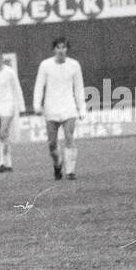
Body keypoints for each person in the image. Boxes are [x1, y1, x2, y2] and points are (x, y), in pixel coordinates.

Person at [32, 37, 85, 180]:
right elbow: (39, 86)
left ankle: (70, 170)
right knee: (52, 144)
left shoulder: (74, 65)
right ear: (54, 49)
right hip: (51, 108)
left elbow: (79, 88)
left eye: (64, 47)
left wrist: (82, 108)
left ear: (67, 49)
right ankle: (57, 164)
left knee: (69, 136)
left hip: (69, 107)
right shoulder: (45, 65)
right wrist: (37, 105)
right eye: (58, 47)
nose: (61, 50)